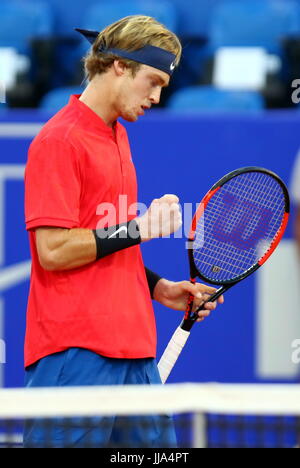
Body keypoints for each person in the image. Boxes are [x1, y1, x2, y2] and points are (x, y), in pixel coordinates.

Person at [24, 15, 223, 448]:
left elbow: (104, 242)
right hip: (76, 354)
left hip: (136, 351)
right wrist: (140, 228)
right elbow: (53, 250)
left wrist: (158, 288)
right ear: (119, 65)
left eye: (162, 87)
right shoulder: (59, 141)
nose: (155, 96)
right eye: (151, 81)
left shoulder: (117, 136)